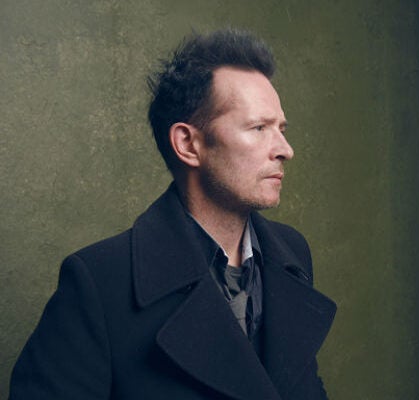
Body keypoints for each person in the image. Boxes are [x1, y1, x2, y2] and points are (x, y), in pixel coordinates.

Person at [10, 29, 336, 400]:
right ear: (187, 144)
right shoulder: (99, 284)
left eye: (281, 129)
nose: (285, 150)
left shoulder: (290, 255)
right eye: (258, 128)